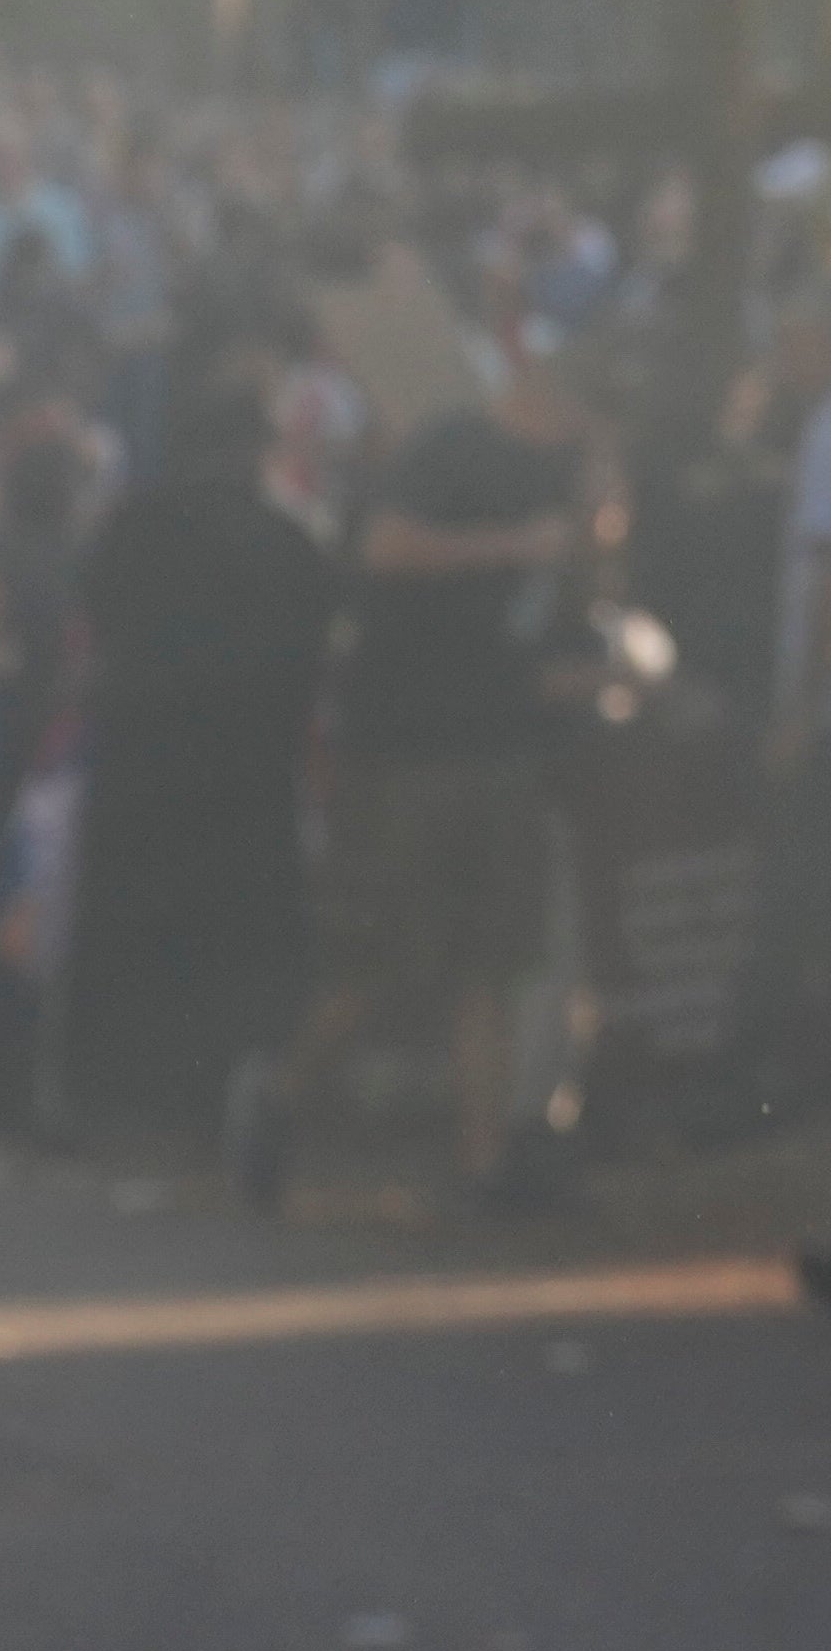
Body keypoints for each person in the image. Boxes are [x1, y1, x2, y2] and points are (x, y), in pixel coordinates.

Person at [275, 347, 607, 1206]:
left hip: (498, 747)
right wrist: (510, 544)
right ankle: (274, 1100)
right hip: (409, 752)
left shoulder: (564, 482)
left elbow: (520, 633)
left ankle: (481, 1163)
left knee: (490, 964)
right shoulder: (453, 445)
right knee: (384, 962)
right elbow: (384, 547)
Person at [56, 356, 338, 1158]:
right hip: (248, 783)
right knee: (234, 951)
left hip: (138, 771)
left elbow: (95, 627)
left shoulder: (130, 527)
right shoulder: (288, 543)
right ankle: (217, 1107)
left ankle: (113, 1107)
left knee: (129, 941)